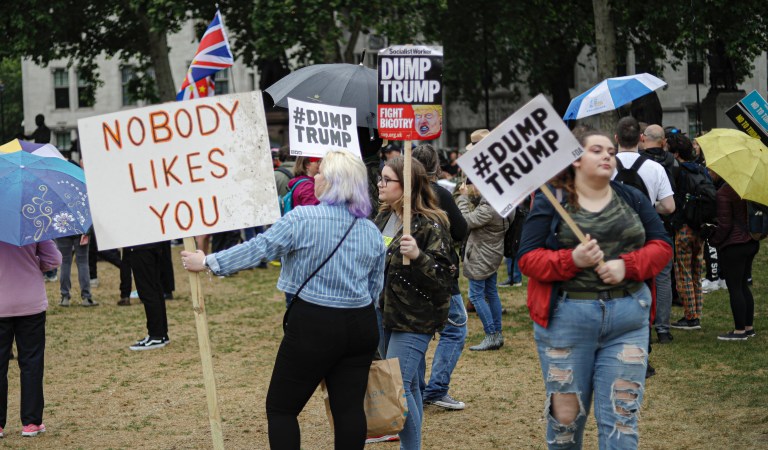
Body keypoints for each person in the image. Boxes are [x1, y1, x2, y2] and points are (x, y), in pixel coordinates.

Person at [181, 149, 385, 449]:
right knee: (349, 409)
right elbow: (374, 287)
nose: (313, 177)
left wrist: (209, 261)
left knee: (282, 408)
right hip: (361, 323)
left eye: (319, 173)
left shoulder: (302, 218)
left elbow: (259, 248)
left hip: (315, 322)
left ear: (330, 182)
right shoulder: (370, 230)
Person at [518, 130, 672, 449]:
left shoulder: (632, 196)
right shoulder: (552, 200)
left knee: (621, 417)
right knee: (565, 421)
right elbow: (527, 259)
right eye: (597, 150)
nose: (607, 156)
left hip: (628, 321)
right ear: (575, 159)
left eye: (611, 152)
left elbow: (662, 246)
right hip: (567, 322)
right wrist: (571, 259)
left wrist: (626, 266)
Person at [374, 156, 453, 449]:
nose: (380, 184)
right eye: (380, 178)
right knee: (406, 386)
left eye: (386, 180)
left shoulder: (430, 224)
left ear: (407, 186)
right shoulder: (383, 217)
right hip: (383, 313)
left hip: (415, 317)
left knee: (397, 388)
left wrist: (419, 256)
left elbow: (446, 278)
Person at [412, 143, 469, 410]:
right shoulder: (438, 194)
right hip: (440, 272)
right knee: (455, 330)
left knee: (416, 332)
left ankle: (418, 389)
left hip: (409, 275)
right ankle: (435, 389)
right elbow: (460, 230)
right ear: (436, 166)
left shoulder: (404, 193)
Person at [614, 119, 675, 346]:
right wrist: (648, 207)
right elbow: (669, 207)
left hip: (614, 236)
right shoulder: (655, 168)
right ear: (640, 138)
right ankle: (660, 329)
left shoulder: (604, 166)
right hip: (647, 234)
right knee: (656, 281)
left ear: (616, 138)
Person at [0, 239, 62, 437]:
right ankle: (32, 421)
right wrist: (34, 264)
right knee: (32, 362)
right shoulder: (34, 223)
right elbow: (53, 259)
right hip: (30, 302)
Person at [457, 179, 509, 351]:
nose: (475, 187)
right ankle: (498, 333)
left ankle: (491, 334)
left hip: (481, 256)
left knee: (476, 295)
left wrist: (463, 198)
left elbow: (464, 221)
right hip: (493, 253)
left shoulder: (488, 209)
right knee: (491, 292)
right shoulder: (506, 202)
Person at [707, 170, 759, 340]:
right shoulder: (750, 189)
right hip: (751, 241)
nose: (709, 172)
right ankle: (748, 326)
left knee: (735, 287)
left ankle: (739, 330)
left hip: (734, 245)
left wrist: (713, 240)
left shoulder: (724, 193)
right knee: (743, 285)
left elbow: (724, 225)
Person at [125, 241, 171, 350]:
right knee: (155, 288)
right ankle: (160, 333)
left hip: (141, 246)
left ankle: (156, 335)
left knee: (148, 290)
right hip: (151, 245)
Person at [55, 234, 97, 307]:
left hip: (63, 229)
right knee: (83, 262)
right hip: (80, 230)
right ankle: (86, 297)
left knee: (65, 262)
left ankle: (65, 297)